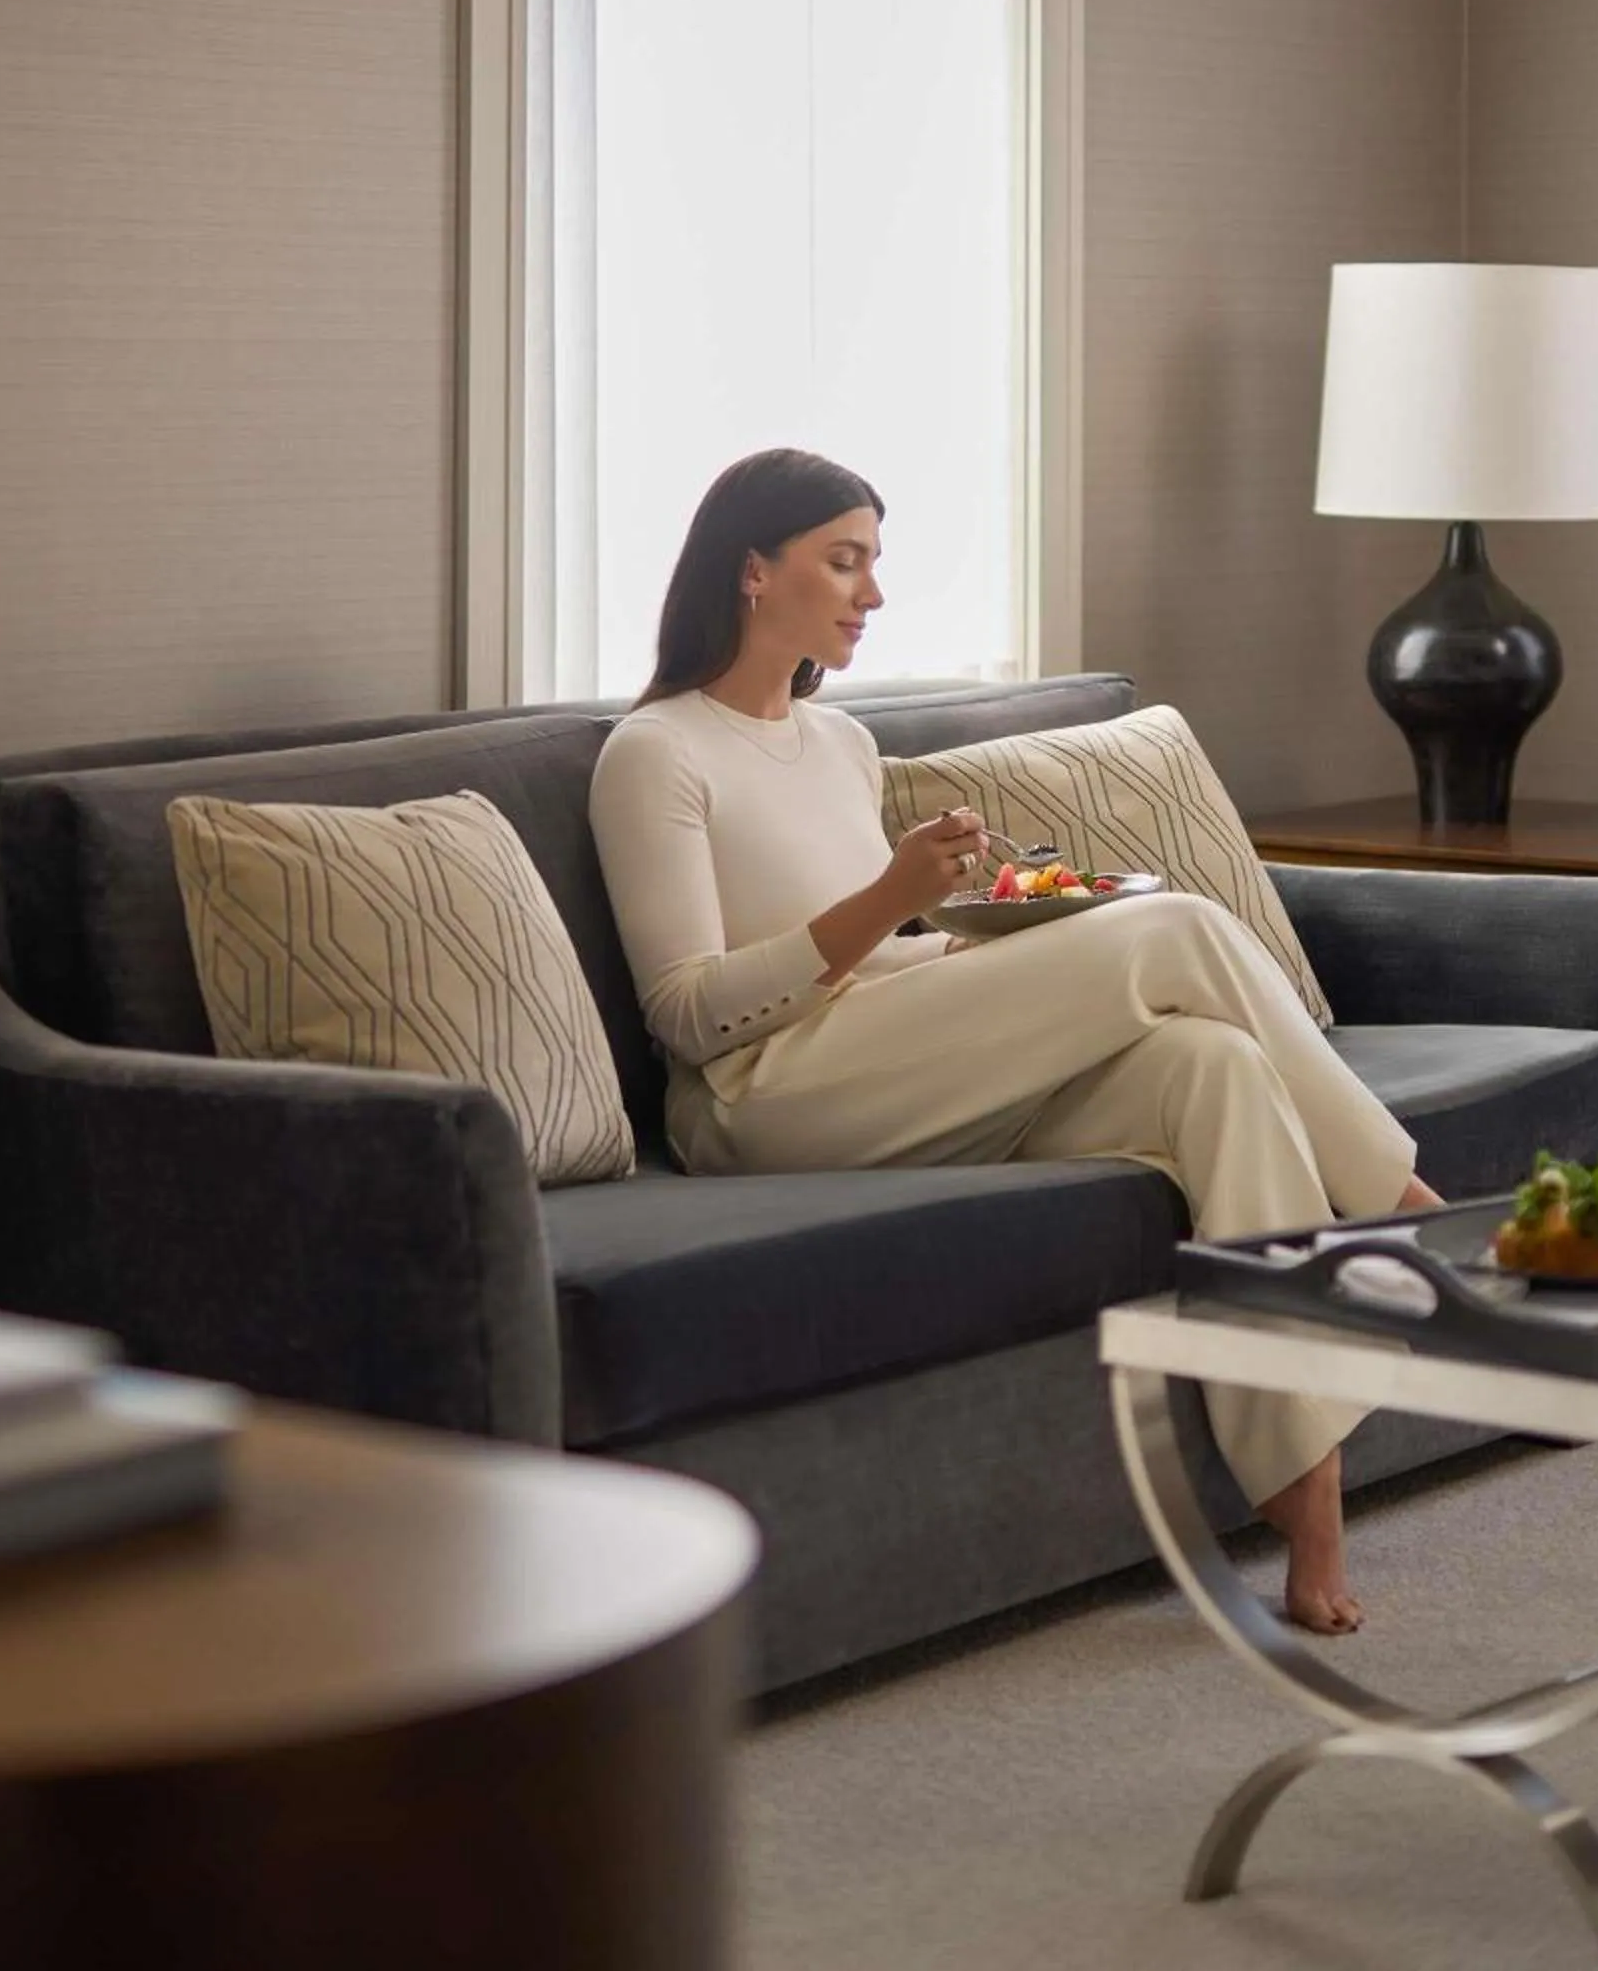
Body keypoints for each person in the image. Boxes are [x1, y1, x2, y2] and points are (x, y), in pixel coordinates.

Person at [586, 447, 1443, 1634]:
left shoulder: (837, 745)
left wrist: (961, 914)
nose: (870, 595)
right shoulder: (657, 753)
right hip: (767, 1095)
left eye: (873, 564)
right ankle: (1397, 1198)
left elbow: (893, 943)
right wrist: (892, 898)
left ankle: (1309, 1505)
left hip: (901, 1048)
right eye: (844, 563)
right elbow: (687, 1015)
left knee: (1218, 1071)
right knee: (1176, 929)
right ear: (749, 570)